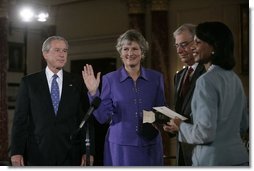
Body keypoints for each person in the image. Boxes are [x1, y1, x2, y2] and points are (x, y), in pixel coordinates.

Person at [164, 21, 249, 166]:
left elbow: (204, 134)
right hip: (239, 159)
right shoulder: (234, 78)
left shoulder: (206, 80)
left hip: (212, 160)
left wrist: (180, 126)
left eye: (197, 42)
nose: (193, 47)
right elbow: (243, 124)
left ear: (213, 46)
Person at [82, 29, 166, 166]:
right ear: (120, 53)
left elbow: (161, 110)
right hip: (120, 146)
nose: (130, 53)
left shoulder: (156, 78)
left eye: (135, 48)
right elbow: (102, 117)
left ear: (142, 52)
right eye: (125, 49)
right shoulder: (110, 79)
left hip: (150, 144)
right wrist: (93, 93)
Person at [10, 36, 95, 166]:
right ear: (45, 54)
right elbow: (20, 121)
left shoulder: (77, 82)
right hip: (38, 152)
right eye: (57, 50)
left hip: (70, 153)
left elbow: (85, 120)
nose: (62, 55)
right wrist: (16, 151)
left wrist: (88, 151)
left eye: (65, 51)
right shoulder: (29, 83)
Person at [172, 24, 206, 166]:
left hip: (203, 151)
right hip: (183, 151)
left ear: (197, 42)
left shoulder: (208, 73)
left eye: (184, 44)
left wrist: (182, 126)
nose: (179, 50)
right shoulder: (179, 76)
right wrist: (171, 126)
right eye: (177, 46)